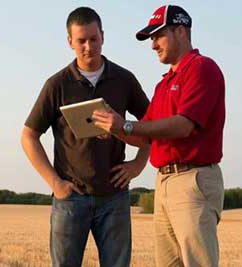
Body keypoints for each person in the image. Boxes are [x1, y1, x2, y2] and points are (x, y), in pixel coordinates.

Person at [93, 5, 225, 267]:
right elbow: (146, 136)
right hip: (164, 181)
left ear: (180, 31)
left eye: (157, 36)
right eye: (151, 38)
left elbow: (183, 125)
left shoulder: (202, 68)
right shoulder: (164, 84)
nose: (153, 45)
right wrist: (115, 130)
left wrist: (127, 126)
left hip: (193, 179)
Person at [20, 6, 150, 267]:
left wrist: (137, 165)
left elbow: (151, 126)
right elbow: (28, 136)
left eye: (93, 38)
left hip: (115, 197)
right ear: (70, 42)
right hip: (70, 200)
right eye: (81, 40)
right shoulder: (56, 85)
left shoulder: (124, 79)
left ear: (103, 36)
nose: (88, 46)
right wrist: (55, 183)